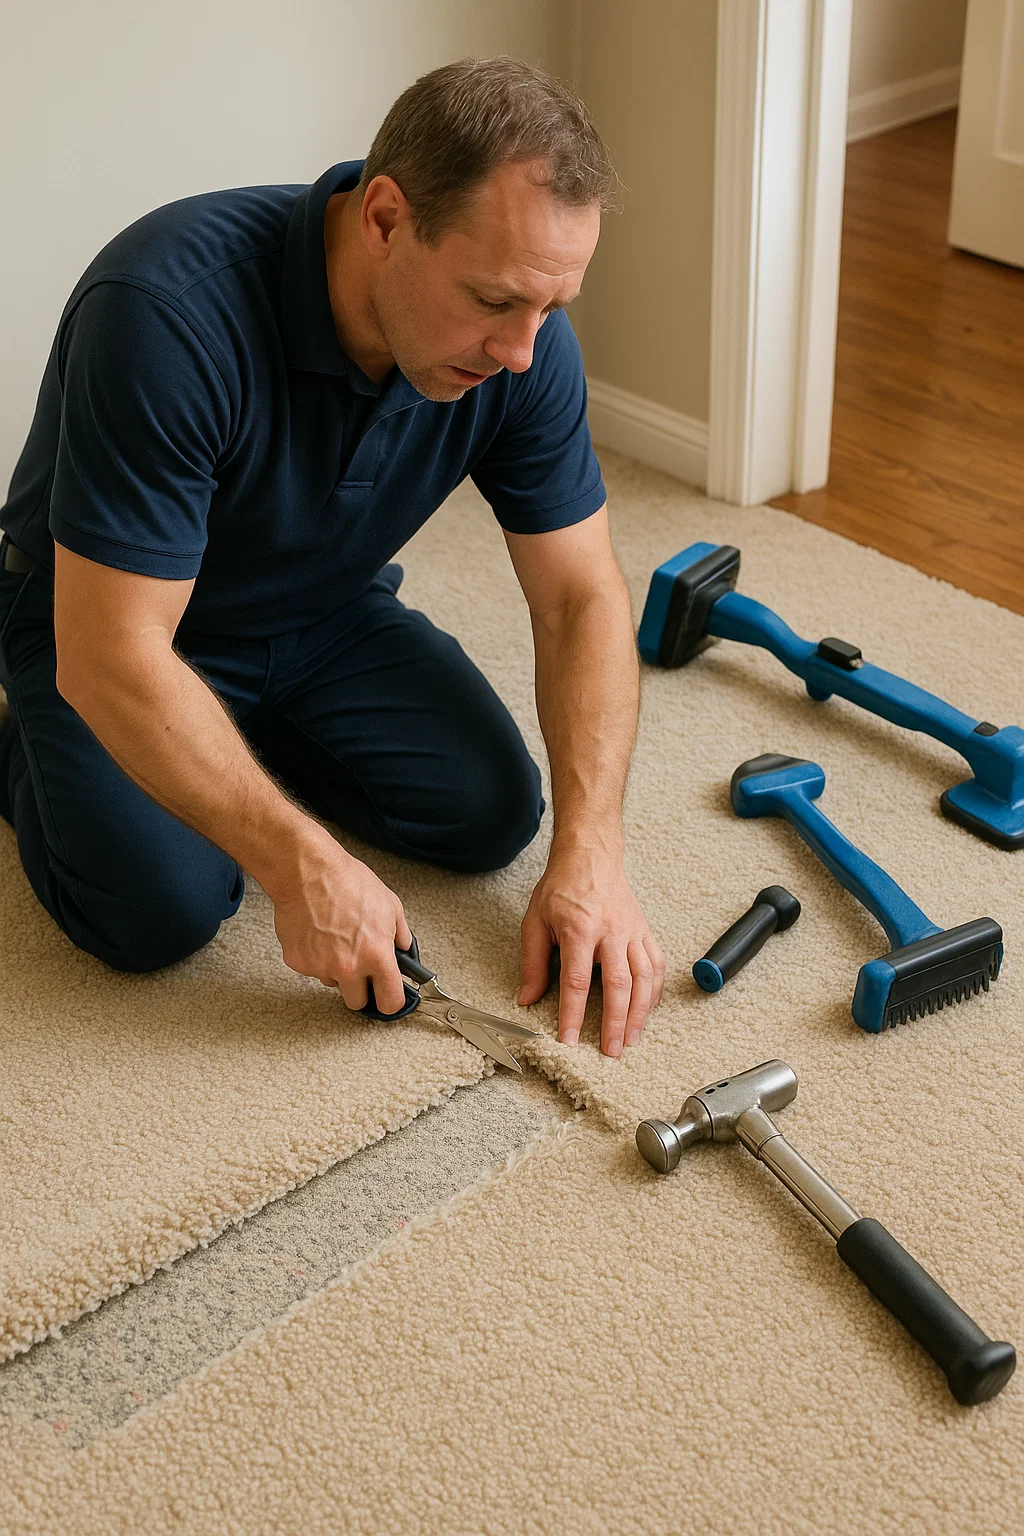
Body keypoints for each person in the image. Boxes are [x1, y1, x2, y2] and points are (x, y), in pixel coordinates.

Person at [0, 57, 665, 1057]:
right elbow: (112, 654)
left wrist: (594, 851)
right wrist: (302, 863)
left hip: (321, 611)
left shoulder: (522, 347)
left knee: (496, 815)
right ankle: (22, 739)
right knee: (159, 910)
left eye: (551, 308)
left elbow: (580, 597)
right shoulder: (164, 310)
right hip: (109, 628)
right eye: (493, 300)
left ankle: (237, 752)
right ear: (386, 218)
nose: (523, 351)